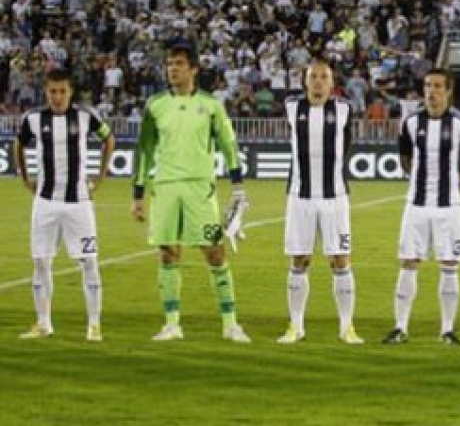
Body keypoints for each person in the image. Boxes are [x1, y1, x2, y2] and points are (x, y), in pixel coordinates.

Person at [131, 43, 251, 343]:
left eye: (179, 63)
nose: (173, 69)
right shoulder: (155, 105)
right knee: (168, 253)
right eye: (170, 63)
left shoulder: (211, 105)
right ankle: (172, 324)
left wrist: (237, 185)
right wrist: (138, 194)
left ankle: (231, 324)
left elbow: (228, 144)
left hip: (200, 188)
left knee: (215, 252)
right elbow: (145, 150)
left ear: (194, 69)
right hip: (166, 187)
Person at [13, 69, 115, 341]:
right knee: (40, 261)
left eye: (62, 91)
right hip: (45, 203)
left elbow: (108, 139)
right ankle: (43, 323)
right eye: (52, 92)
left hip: (79, 203)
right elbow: (18, 144)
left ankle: (94, 325)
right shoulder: (33, 119)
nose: (57, 97)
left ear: (70, 92)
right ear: (46, 92)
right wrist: (25, 178)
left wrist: (100, 176)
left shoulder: (85, 116)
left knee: (89, 261)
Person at [384, 68, 460, 346]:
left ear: (448, 90)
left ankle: (447, 330)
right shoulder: (411, 122)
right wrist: (420, 180)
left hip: (450, 207)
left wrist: (453, 185)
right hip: (417, 205)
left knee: (449, 265)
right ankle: (400, 327)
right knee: (408, 263)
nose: (431, 92)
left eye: (437, 86)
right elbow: (405, 159)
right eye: (427, 86)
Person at [277, 59, 362, 345]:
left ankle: (347, 327)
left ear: (332, 83)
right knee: (299, 259)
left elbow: (346, 144)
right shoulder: (292, 106)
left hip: (334, 198)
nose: (318, 82)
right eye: (313, 77)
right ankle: (296, 326)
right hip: (299, 197)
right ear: (304, 81)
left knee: (340, 259)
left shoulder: (344, 109)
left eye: (324, 77)